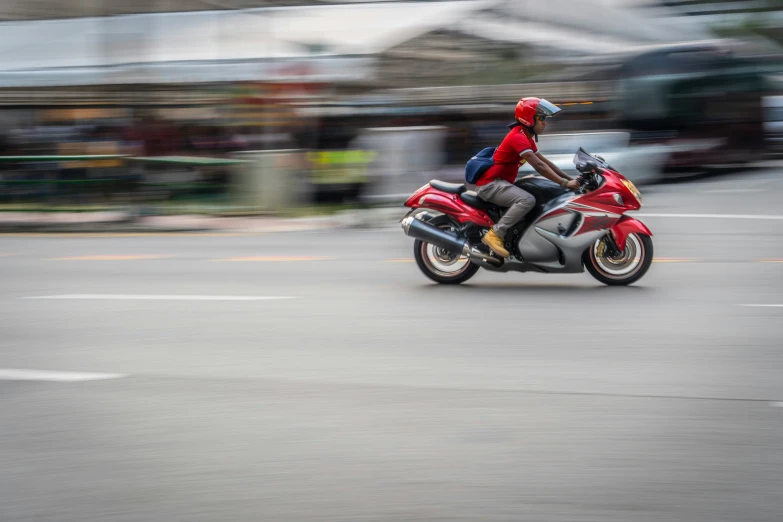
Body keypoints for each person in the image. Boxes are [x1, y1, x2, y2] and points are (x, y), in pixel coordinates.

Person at [475, 97, 580, 258]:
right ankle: (495, 234)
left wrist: (573, 180)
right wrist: (565, 183)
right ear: (529, 119)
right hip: (490, 185)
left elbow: (546, 163)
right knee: (527, 200)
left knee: (535, 190)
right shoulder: (517, 137)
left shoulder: (526, 137)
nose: (545, 122)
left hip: (501, 183)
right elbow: (539, 166)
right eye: (542, 118)